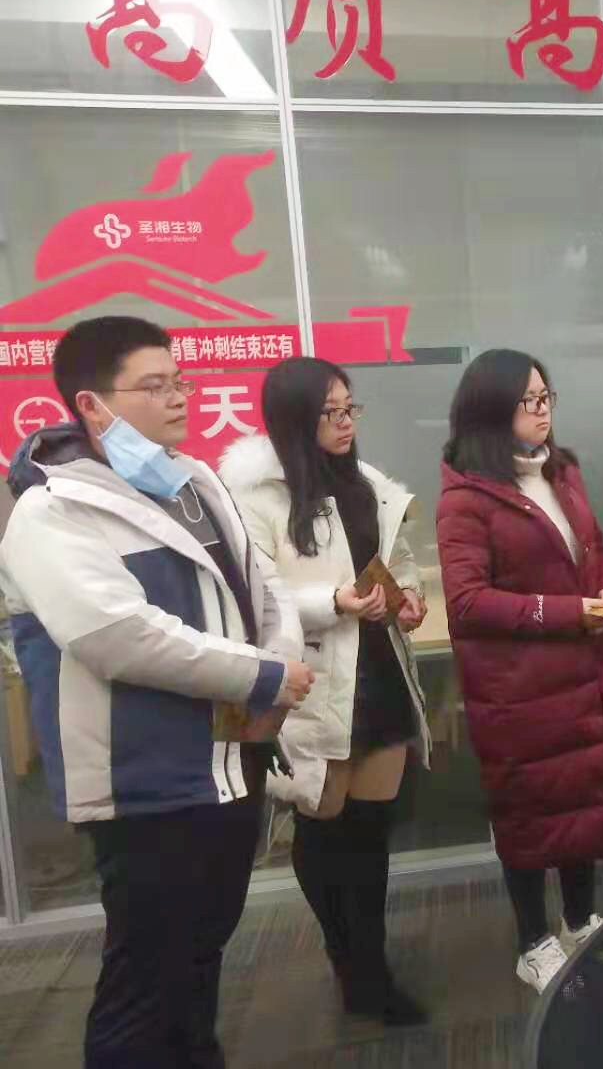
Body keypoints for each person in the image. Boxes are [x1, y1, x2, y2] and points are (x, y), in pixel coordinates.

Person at [0, 316, 311, 1068]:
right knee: (145, 972)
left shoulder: (192, 480)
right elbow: (118, 634)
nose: (179, 398)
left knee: (202, 949)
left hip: (230, 759)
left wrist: (277, 671)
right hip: (145, 781)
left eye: (180, 381)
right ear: (92, 404)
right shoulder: (52, 510)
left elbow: (263, 583)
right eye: (155, 385)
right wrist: (265, 676)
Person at [219, 358, 432, 1026]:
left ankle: (370, 968)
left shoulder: (368, 486)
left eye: (349, 408)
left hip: (381, 674)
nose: (345, 423)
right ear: (292, 421)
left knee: (370, 835)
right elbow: (255, 598)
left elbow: (395, 562)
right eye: (330, 412)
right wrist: (333, 600)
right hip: (316, 683)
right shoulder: (257, 500)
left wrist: (407, 596)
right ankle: (347, 959)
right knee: (323, 826)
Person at [436, 348, 603, 994]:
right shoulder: (467, 497)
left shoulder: (562, 471)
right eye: (528, 401)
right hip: (517, 688)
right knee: (528, 812)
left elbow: (593, 551)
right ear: (491, 411)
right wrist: (569, 612)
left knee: (581, 798)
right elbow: (468, 603)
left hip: (581, 671)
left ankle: (579, 921)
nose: (542, 410)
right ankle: (533, 941)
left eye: (546, 396)